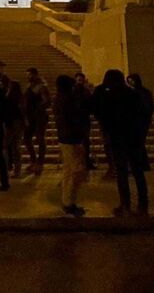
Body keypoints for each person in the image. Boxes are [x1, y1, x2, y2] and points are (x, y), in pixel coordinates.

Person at [93, 69, 148, 216]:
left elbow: (99, 112)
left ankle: (125, 205)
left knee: (122, 173)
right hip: (134, 137)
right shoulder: (133, 94)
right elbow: (142, 114)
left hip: (116, 137)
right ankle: (143, 205)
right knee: (138, 172)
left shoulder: (107, 95)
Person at [55, 74, 91, 216]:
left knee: (69, 171)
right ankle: (69, 202)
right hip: (72, 138)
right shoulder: (68, 99)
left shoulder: (59, 98)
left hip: (65, 137)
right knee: (76, 171)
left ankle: (67, 201)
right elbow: (75, 117)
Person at [23, 67, 51, 175]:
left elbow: (47, 101)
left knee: (40, 139)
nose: (28, 77)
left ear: (35, 74)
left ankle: (40, 163)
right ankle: (33, 160)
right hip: (30, 117)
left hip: (39, 117)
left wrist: (37, 108)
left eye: (30, 74)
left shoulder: (41, 87)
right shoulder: (29, 86)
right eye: (27, 74)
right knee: (26, 139)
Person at [127, 73, 154, 172]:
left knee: (138, 143)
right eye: (128, 81)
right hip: (133, 122)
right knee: (138, 144)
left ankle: (140, 164)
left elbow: (148, 107)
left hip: (142, 121)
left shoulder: (144, 93)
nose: (130, 83)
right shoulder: (130, 93)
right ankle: (142, 164)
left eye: (132, 81)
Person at [2, 75, 26, 178]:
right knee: (16, 147)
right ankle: (17, 170)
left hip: (10, 123)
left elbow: (7, 112)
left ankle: (6, 168)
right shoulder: (20, 99)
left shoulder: (9, 99)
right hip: (19, 123)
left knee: (4, 146)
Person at [74, 72, 96, 170]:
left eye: (81, 80)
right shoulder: (74, 91)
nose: (80, 82)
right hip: (77, 120)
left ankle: (86, 162)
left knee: (85, 142)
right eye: (78, 80)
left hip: (83, 119)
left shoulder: (86, 92)